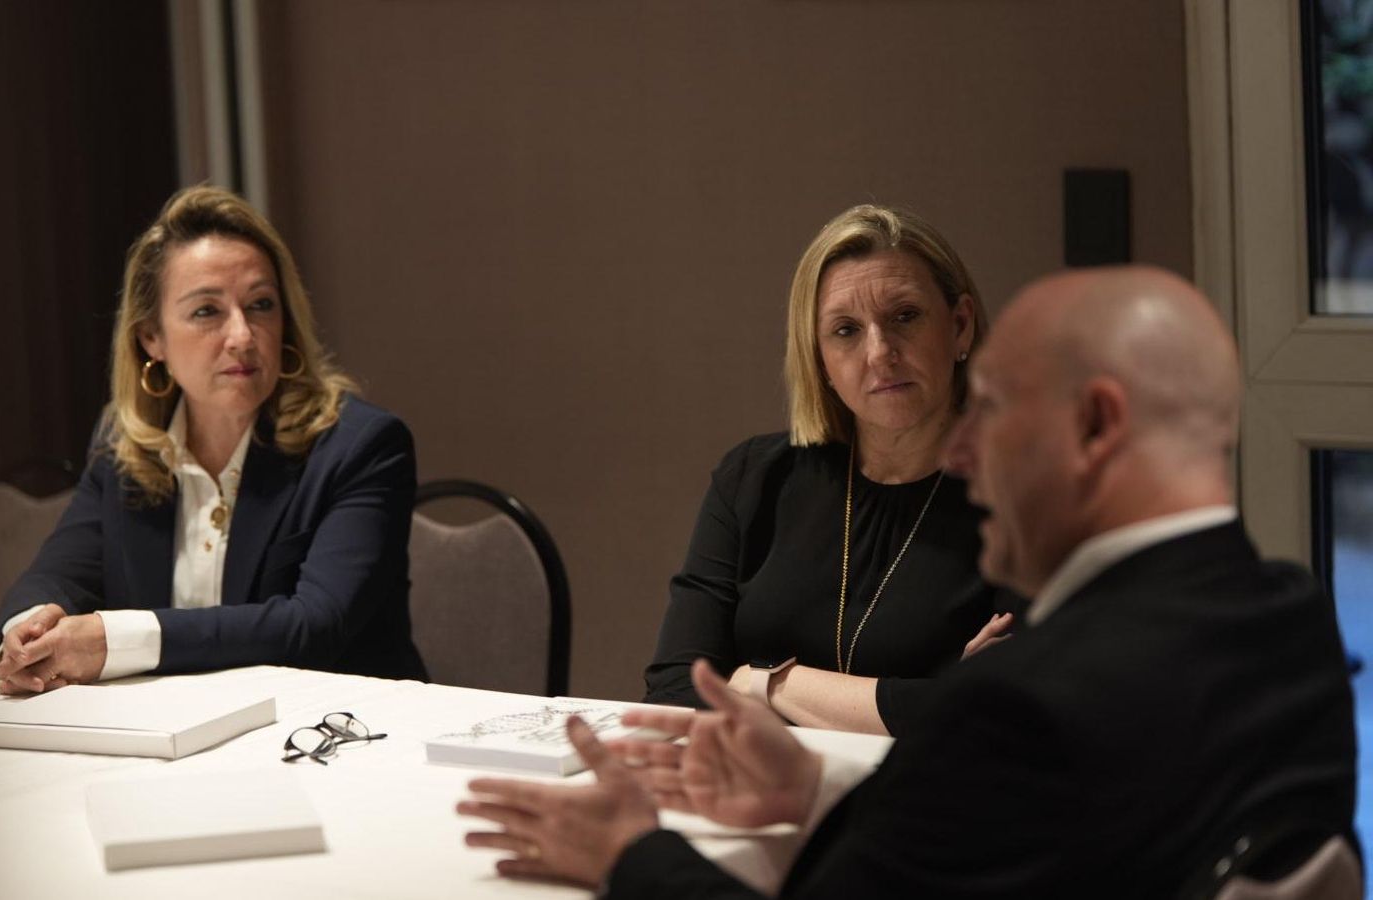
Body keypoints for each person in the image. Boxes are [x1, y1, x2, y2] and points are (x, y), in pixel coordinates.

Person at [461, 266, 1357, 897]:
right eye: (844, 331)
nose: (963, 447)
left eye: (993, 406)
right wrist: (817, 793)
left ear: (1095, 426)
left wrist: (628, 855)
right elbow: (1043, 836)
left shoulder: (1018, 705)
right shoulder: (1288, 616)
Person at [0, 186, 426, 694]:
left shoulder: (360, 446)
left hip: (337, 734)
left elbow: (313, 626)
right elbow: (59, 572)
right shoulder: (125, 446)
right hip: (181, 733)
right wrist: (29, 632)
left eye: (261, 305)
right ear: (151, 337)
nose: (242, 334)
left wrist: (116, 639)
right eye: (207, 311)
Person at [645, 204, 1016, 736]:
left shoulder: (1035, 498)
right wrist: (928, 698)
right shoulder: (752, 479)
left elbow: (1005, 716)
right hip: (763, 799)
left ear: (959, 326)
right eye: (845, 330)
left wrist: (766, 684)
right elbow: (675, 693)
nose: (880, 352)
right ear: (819, 359)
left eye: (905, 317)